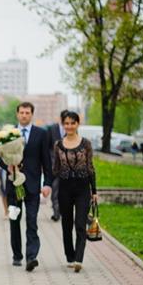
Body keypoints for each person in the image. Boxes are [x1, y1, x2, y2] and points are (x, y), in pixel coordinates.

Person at [0, 102, 53, 271]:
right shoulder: (8, 133)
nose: (24, 115)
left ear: (32, 114)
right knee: (14, 220)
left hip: (33, 186)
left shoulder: (41, 134)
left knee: (32, 221)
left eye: (27, 113)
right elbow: (0, 157)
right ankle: (17, 255)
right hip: (13, 184)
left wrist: (47, 183)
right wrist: (7, 166)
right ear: (17, 114)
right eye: (21, 112)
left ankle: (31, 257)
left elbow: (46, 160)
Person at [52, 111, 98, 272]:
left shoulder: (86, 144)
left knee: (80, 223)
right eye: (66, 123)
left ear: (78, 124)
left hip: (82, 189)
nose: (69, 126)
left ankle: (79, 258)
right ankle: (70, 257)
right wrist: (47, 185)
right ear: (63, 125)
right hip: (64, 189)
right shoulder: (58, 145)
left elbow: (90, 168)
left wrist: (94, 191)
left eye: (72, 123)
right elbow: (55, 169)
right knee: (66, 225)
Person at [46, 110, 68, 221]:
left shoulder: (71, 129)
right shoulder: (52, 129)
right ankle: (56, 213)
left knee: (65, 192)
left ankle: (64, 212)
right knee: (55, 190)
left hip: (68, 168)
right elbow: (47, 147)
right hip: (54, 166)